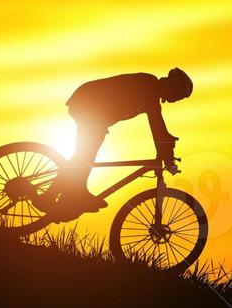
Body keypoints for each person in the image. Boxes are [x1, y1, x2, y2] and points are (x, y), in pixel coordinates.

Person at [35, 68, 193, 215]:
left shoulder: (152, 98)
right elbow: (157, 127)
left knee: (86, 154)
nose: (176, 100)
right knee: (85, 155)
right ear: (172, 87)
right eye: (178, 96)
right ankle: (52, 197)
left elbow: (159, 128)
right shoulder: (149, 85)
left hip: (94, 111)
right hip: (87, 103)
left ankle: (72, 196)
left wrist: (166, 149)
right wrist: (165, 150)